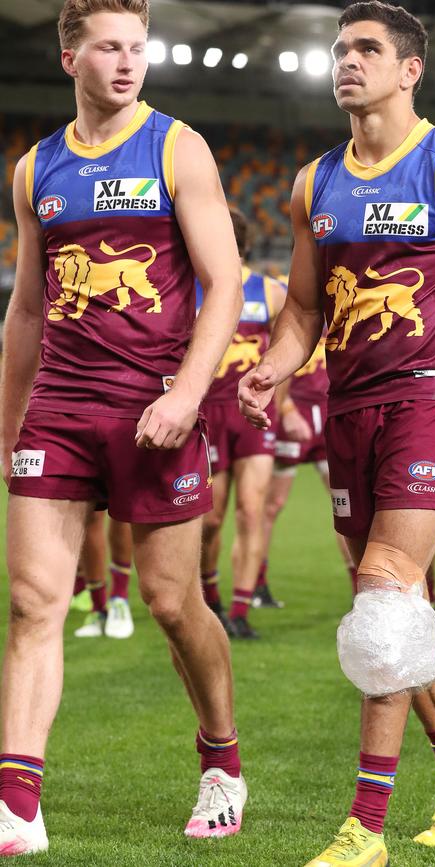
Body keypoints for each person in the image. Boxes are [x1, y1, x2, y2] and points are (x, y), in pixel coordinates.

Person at [239, 3, 435, 863]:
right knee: (398, 618)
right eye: (341, 49)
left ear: (410, 69)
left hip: (428, 398)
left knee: (381, 603)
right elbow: (302, 307)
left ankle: (363, 828)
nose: (347, 61)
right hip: (348, 408)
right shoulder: (312, 183)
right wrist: (276, 364)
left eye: (367, 49)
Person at [0, 0, 246, 854]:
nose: (129, 62)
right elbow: (27, 309)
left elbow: (226, 281)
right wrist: (8, 426)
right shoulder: (36, 169)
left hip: (153, 408)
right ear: (70, 57)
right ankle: (17, 802)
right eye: (109, 47)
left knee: (173, 603)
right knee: (33, 603)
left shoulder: (177, 147)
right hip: (60, 408)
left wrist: (185, 393)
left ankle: (221, 760)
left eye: (138, 47)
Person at [199, 208, 286, 639]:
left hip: (253, 414)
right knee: (211, 518)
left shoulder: (268, 291)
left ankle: (239, 609)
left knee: (252, 511)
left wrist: (279, 405)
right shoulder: (193, 287)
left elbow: (286, 353)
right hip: (207, 410)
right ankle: (210, 596)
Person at [256, 332, 358, 607]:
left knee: (346, 505)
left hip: (330, 409)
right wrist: (286, 408)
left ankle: (360, 589)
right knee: (272, 504)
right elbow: (272, 355)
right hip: (297, 408)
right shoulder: (294, 301)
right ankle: (257, 583)